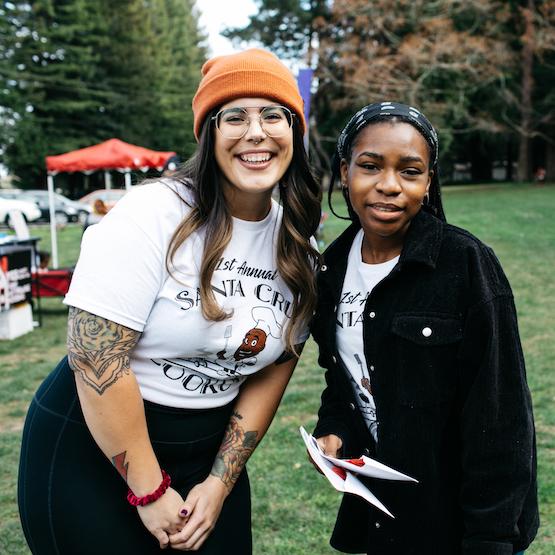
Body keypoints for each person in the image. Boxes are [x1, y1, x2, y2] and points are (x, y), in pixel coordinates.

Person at [18, 48, 321, 554]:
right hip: (95, 449)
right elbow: (96, 356)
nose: (256, 132)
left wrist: (220, 483)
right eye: (234, 116)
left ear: (294, 131)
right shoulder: (152, 213)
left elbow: (275, 366)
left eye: (273, 114)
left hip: (204, 453)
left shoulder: (300, 247)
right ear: (209, 133)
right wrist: (150, 490)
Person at [310, 102, 538, 555]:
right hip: (383, 513)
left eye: (410, 172)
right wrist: (334, 431)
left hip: (458, 522)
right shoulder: (330, 269)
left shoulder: (466, 265)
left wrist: (490, 538)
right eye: (370, 166)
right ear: (344, 171)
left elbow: (501, 417)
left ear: (428, 181)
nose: (389, 186)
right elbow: (345, 382)